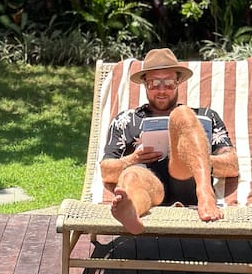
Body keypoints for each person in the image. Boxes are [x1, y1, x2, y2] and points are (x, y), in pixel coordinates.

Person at [100, 48, 239, 234]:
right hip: (149, 185)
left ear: (178, 82)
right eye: (154, 83)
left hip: (187, 180)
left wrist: (193, 157)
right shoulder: (125, 120)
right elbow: (106, 171)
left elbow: (232, 165)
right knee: (131, 176)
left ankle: (206, 193)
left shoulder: (205, 116)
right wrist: (133, 159)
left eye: (169, 83)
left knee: (182, 115)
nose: (161, 90)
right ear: (144, 84)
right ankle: (132, 211)